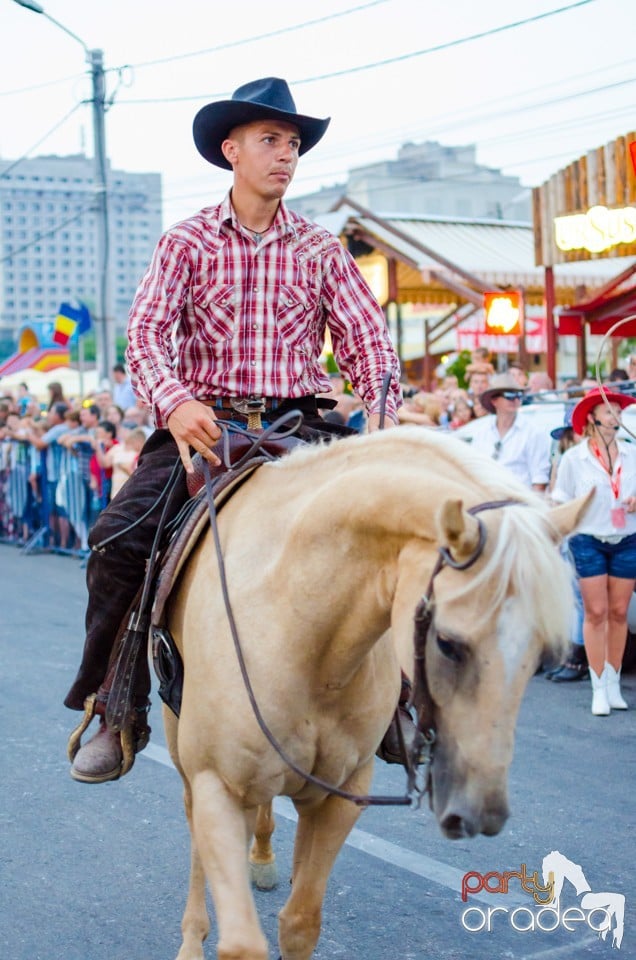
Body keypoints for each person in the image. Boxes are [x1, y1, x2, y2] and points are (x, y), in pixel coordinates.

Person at [65, 76, 402, 783]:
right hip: (203, 424)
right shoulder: (185, 241)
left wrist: (387, 420)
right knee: (119, 540)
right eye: (271, 141)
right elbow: (147, 337)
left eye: (293, 144)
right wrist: (175, 401)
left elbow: (369, 342)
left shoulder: (318, 248)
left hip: (299, 427)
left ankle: (400, 702)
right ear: (232, 151)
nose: (286, 154)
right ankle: (115, 702)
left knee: (398, 533)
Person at [552, 387, 636, 715]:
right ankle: (597, 685)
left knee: (619, 613)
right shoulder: (575, 457)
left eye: (618, 410)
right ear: (593, 417)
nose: (615, 416)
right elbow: (561, 500)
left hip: (627, 538)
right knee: (596, 612)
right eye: (609, 410)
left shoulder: (632, 453)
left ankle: (613, 683)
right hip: (587, 539)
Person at [467, 373, 551, 492]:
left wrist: (532, 508)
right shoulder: (482, 432)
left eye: (519, 395)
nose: (516, 400)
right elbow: (474, 470)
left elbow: (539, 479)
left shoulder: (533, 432)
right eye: (510, 395)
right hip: (487, 500)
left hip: (519, 503)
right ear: (494, 400)